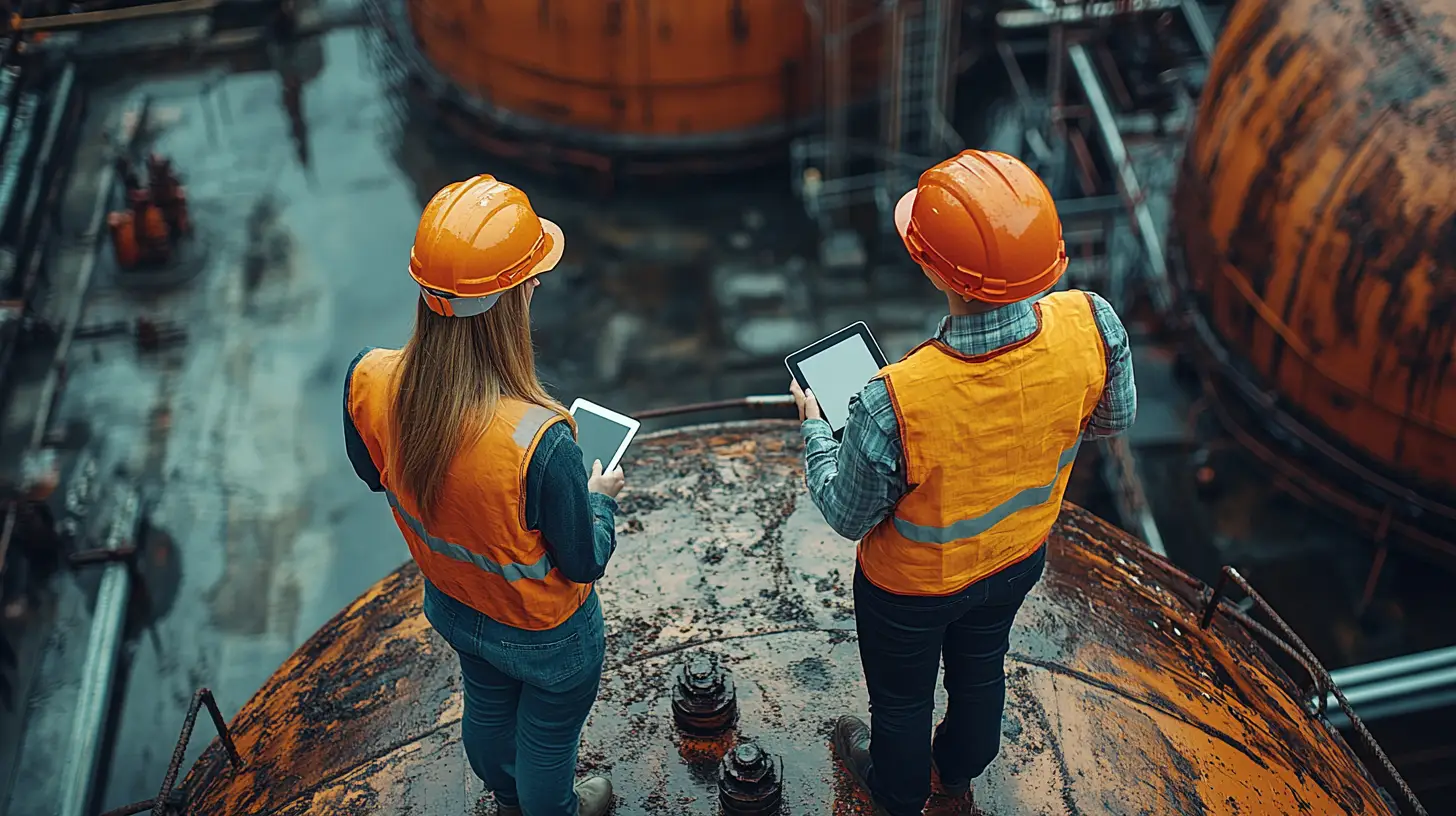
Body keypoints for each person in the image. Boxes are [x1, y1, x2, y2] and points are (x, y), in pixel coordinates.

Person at [789, 150, 1136, 815]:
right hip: (1015, 560)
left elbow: (846, 512)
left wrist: (815, 431)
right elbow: (1112, 419)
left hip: (910, 592)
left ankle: (893, 791)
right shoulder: (1093, 323)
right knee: (981, 668)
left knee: (901, 699)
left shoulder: (896, 399)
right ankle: (958, 771)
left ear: (928, 266)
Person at [342, 175, 622, 816]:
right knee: (548, 746)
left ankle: (505, 799)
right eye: (531, 281)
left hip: (457, 605)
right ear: (515, 298)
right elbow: (583, 560)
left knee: (488, 710)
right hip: (547, 634)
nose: (537, 287)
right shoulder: (539, 440)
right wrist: (599, 497)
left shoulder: (369, 377)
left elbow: (372, 470)